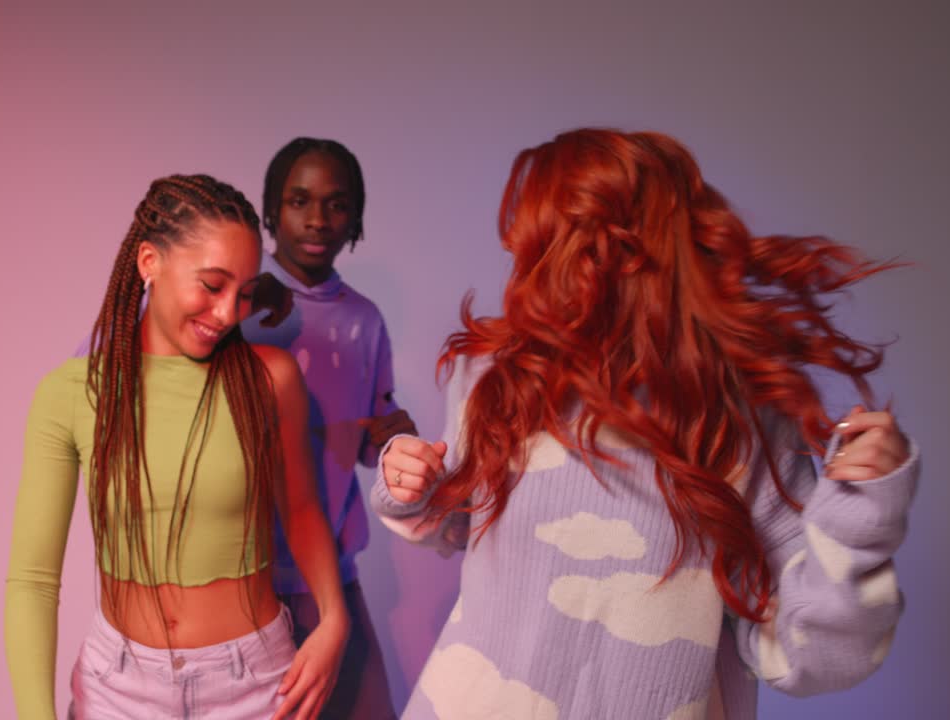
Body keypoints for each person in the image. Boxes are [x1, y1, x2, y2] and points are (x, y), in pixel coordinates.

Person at [372, 129, 921, 719]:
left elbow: (806, 654)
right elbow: (461, 526)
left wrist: (859, 519)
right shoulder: (498, 373)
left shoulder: (739, 419)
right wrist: (410, 481)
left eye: (553, 242)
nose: (531, 268)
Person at [6, 174, 350, 720]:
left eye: (243, 294)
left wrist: (334, 621)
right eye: (212, 286)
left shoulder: (270, 379)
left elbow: (303, 510)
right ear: (149, 262)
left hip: (255, 686)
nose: (226, 314)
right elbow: (33, 580)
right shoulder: (73, 393)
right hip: (117, 691)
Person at [242, 137, 413, 718]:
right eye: (299, 200)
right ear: (270, 210)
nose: (318, 219)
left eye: (337, 204)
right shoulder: (238, 305)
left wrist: (392, 437)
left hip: (329, 580)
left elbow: (367, 445)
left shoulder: (365, 319)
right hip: (245, 582)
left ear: (356, 218)